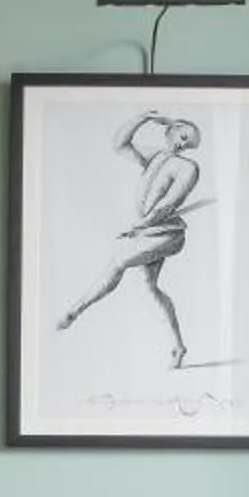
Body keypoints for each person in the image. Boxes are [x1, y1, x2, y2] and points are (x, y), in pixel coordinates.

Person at [57, 111, 203, 367]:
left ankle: (75, 310)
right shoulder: (156, 157)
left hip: (167, 234)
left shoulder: (187, 167)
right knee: (149, 290)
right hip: (148, 231)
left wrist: (141, 225)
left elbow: (168, 204)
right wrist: (143, 116)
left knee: (118, 262)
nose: (182, 145)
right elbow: (119, 144)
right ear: (172, 127)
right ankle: (178, 347)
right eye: (182, 137)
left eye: (187, 144)